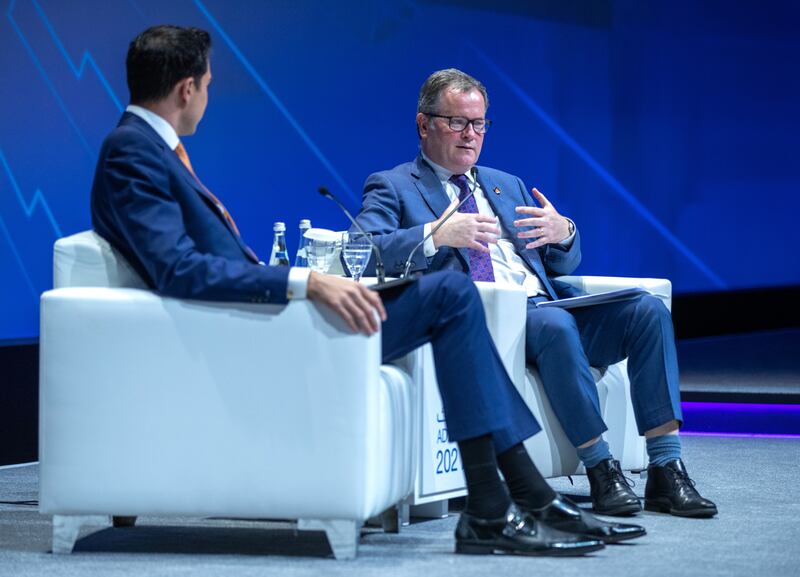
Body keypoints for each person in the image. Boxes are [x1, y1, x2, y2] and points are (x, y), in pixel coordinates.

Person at [90, 26, 646, 556]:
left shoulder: (147, 150)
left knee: (450, 296)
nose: (208, 96)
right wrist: (305, 282)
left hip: (265, 319)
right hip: (256, 331)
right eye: (208, 85)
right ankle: (510, 502)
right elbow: (180, 271)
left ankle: (509, 502)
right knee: (451, 295)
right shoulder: (133, 153)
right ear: (187, 88)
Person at [353, 68, 717, 518]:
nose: (471, 135)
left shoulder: (505, 183)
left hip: (546, 304)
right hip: (487, 319)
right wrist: (436, 234)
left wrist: (563, 233)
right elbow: (364, 252)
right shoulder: (393, 185)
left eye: (480, 124)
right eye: (457, 122)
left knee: (646, 311)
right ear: (423, 124)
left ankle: (666, 468)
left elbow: (561, 264)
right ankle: (601, 469)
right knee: (556, 324)